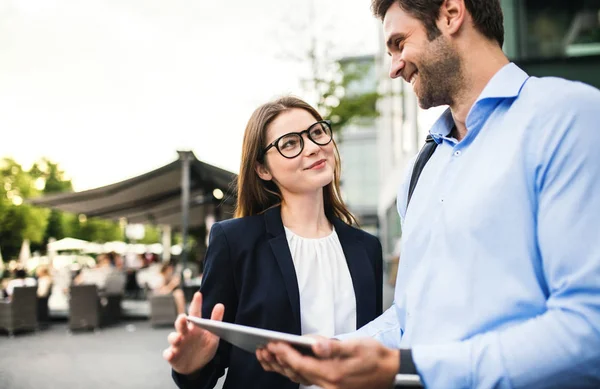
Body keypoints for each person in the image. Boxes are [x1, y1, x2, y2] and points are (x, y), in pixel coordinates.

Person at [256, 1, 600, 388]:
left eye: (400, 43)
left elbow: (589, 328)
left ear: (451, 14)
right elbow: (410, 317)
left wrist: (412, 367)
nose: (394, 67)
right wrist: (328, 351)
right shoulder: (424, 166)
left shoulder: (568, 118)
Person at [163, 96, 383, 389]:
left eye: (316, 132)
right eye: (290, 143)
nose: (313, 147)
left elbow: (376, 351)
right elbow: (207, 362)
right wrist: (191, 367)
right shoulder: (235, 241)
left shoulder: (367, 248)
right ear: (262, 170)